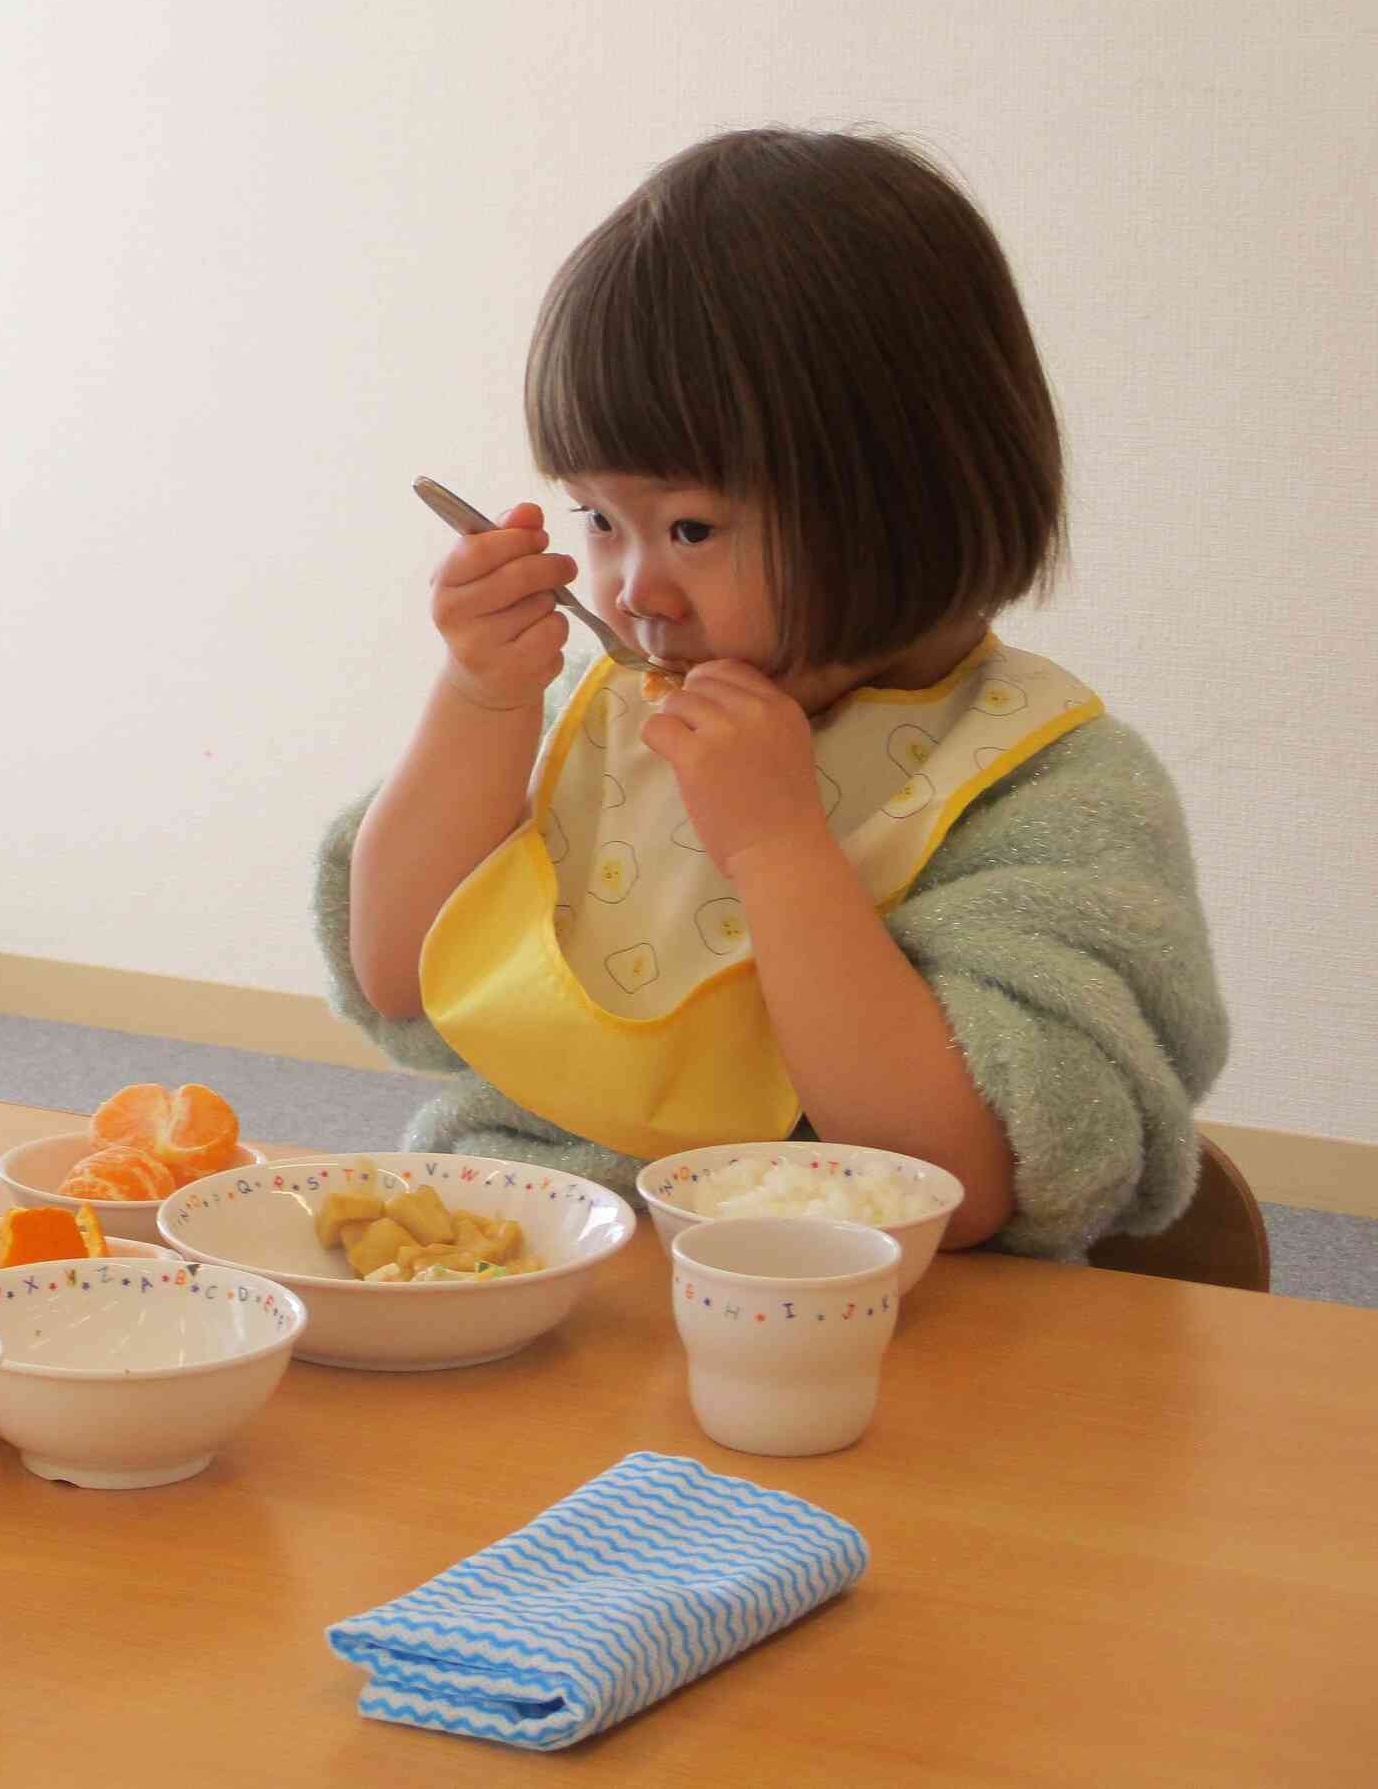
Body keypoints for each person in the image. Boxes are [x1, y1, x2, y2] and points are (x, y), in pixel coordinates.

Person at [320, 128, 1228, 1259]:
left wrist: (779, 849)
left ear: (905, 497)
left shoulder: (1046, 785)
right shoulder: (605, 712)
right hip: (533, 1248)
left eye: (690, 526)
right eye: (596, 519)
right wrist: (480, 702)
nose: (633, 586)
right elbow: (401, 975)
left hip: (875, 1308)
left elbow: (959, 1181)